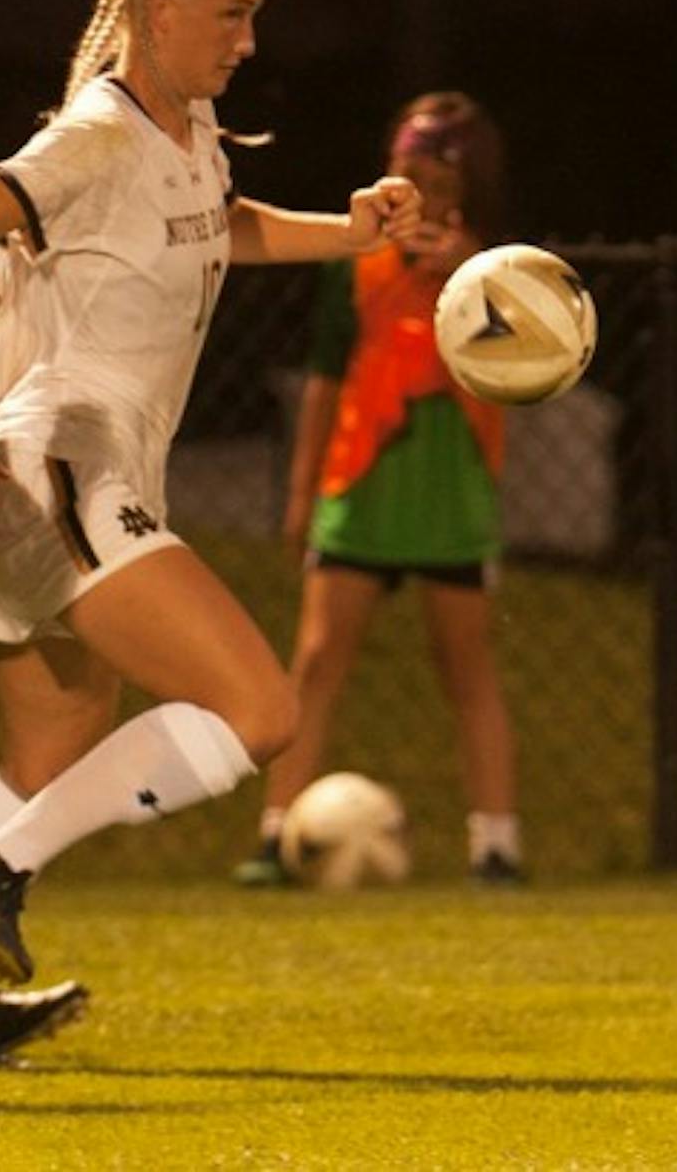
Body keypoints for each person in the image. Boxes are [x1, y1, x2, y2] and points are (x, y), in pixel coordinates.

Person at [0, 0, 422, 1048]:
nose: (248, 39)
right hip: (59, 456)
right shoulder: (96, 136)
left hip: (66, 467)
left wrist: (355, 229)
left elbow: (220, 225)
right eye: (232, 14)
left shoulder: (184, 127)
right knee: (258, 709)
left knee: (46, 750)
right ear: (158, 10)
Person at [235, 91, 522, 887]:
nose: (417, 187)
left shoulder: (498, 267)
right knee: (317, 660)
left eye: (434, 173)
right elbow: (328, 380)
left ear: (468, 182)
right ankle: (277, 837)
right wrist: (302, 494)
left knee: (466, 665)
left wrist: (463, 275)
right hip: (361, 480)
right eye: (406, 170)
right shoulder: (356, 261)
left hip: (450, 483)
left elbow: (526, 365)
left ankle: (497, 845)